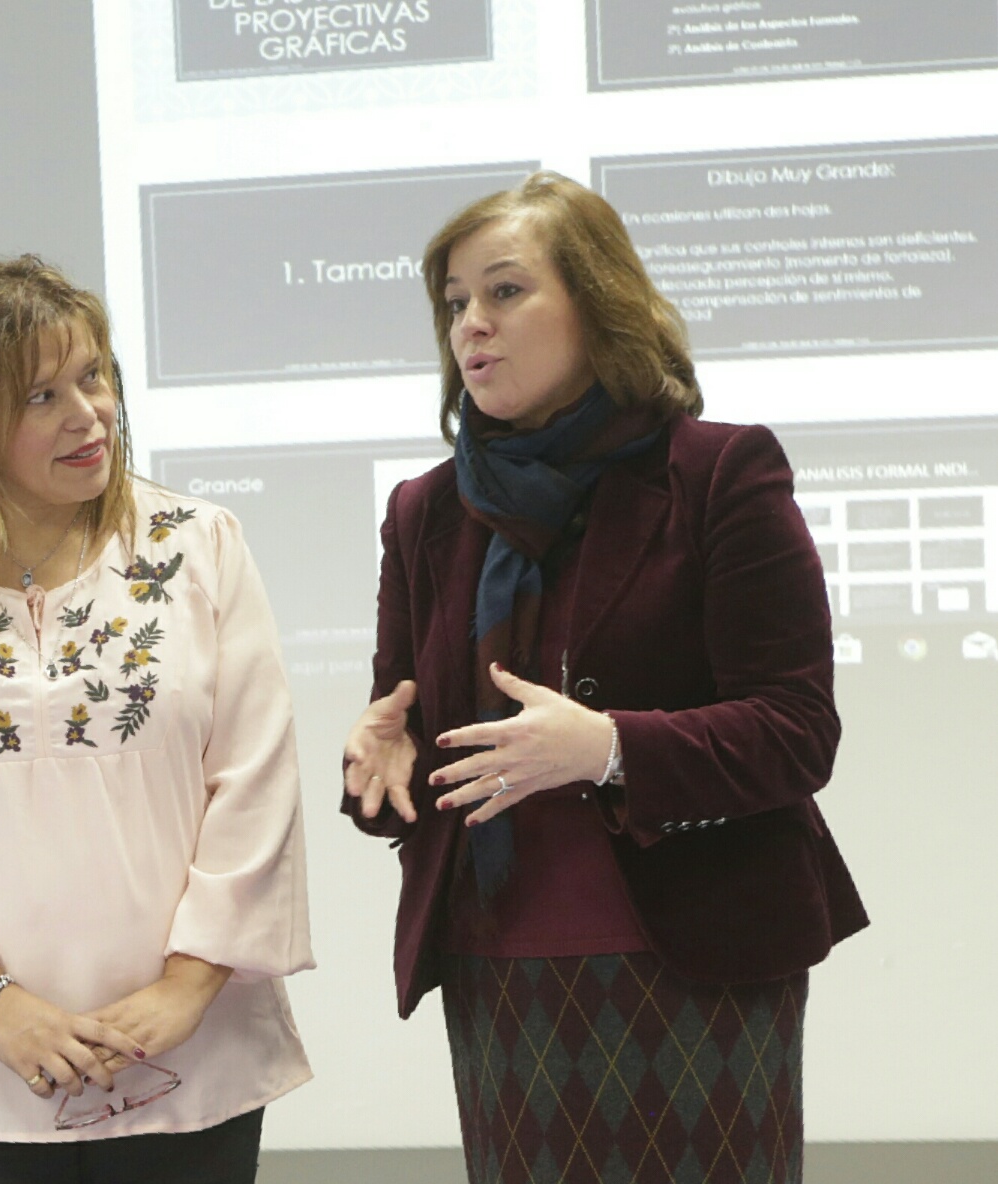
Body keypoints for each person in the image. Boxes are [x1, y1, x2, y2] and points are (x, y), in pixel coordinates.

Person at [341, 173, 867, 1184]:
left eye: (503, 292)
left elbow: (796, 728)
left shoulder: (717, 473)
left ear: (596, 303)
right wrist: (380, 762)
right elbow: (404, 738)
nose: (469, 326)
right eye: (453, 303)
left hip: (695, 957)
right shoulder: (425, 514)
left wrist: (610, 746)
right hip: (499, 967)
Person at [0, 256, 312, 1183]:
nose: (88, 415)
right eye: (41, 396)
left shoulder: (197, 547)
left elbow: (255, 777)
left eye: (94, 378)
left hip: (185, 1052)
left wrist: (185, 986)